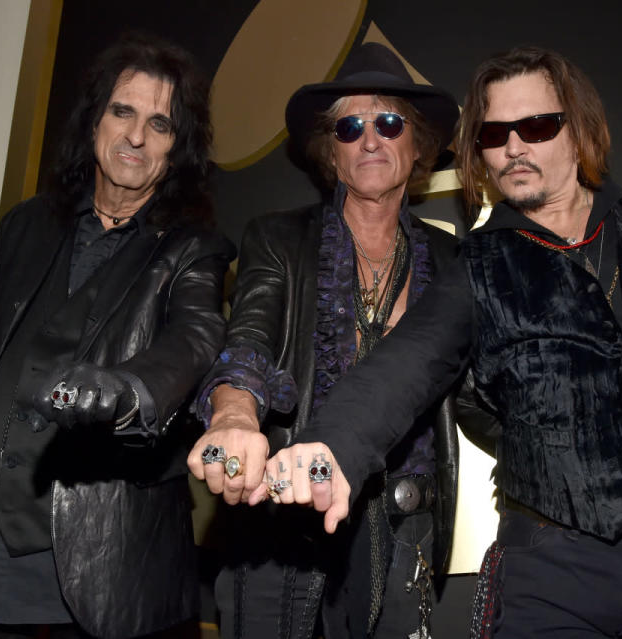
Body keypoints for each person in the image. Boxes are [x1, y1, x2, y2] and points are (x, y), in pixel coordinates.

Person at [259, 46, 622, 638]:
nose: (514, 147)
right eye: (494, 133)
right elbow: (406, 363)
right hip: (553, 578)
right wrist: (330, 447)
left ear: (579, 129)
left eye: (536, 126)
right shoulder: (477, 264)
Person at [0, 35, 234, 639]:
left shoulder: (192, 249)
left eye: (160, 124)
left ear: (177, 150)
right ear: (94, 119)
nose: (135, 137)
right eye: (122, 111)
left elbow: (197, 339)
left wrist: (128, 389)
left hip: (89, 568)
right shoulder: (25, 224)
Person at [187, 42, 488, 639]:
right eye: (350, 126)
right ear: (331, 149)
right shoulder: (278, 237)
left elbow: (481, 395)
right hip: (281, 534)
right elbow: (246, 344)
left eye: (389, 122)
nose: (370, 139)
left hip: (407, 538)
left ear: (418, 142)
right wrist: (232, 415)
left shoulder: (454, 259)